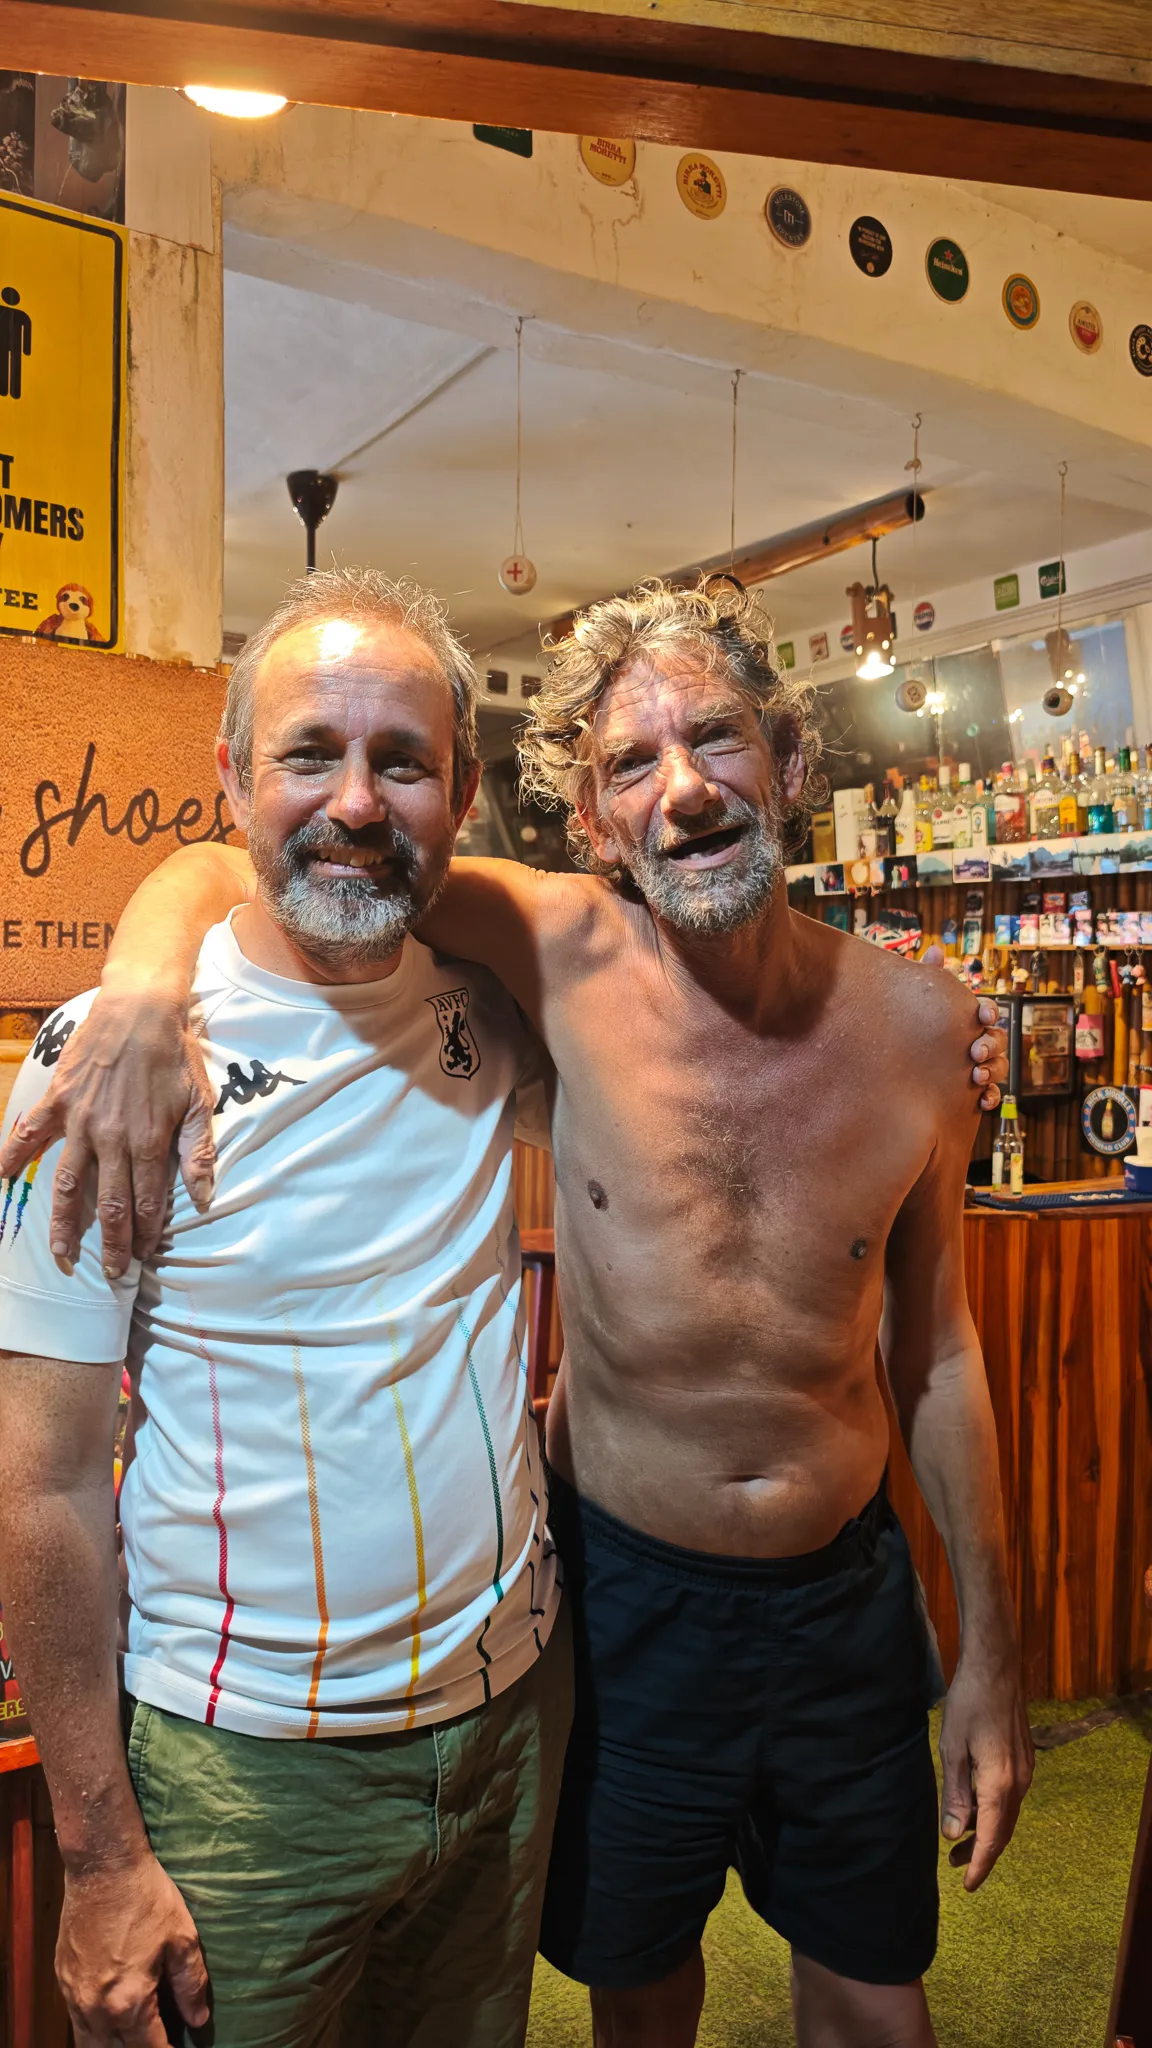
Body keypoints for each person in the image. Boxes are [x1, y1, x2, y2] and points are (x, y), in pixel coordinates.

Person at [4, 575, 1020, 2048]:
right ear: (590, 822)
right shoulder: (503, 966)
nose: (683, 789)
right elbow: (279, 857)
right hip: (449, 1673)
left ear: (791, 764)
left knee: (866, 1996)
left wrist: (997, 1646)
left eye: (718, 737)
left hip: (657, 1661)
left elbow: (935, 1345)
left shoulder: (868, 1027)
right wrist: (144, 985)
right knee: (638, 1990)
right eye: (629, 764)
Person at [0, 571, 571, 2048]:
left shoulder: (486, 1012)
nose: (358, 804)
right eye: (311, 753)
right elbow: (44, 1482)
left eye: (403, 761)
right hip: (246, 1778)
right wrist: (100, 1856)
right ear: (232, 780)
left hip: (507, 1726)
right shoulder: (108, 1062)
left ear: (458, 791)